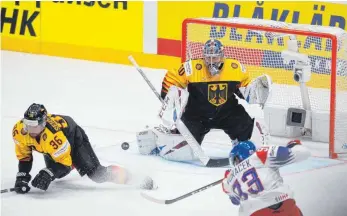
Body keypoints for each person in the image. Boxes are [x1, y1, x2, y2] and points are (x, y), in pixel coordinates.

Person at [136, 39, 272, 163]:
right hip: (196, 115)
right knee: (181, 151)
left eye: (215, 57)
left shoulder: (235, 68)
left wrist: (255, 92)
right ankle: (158, 138)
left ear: (222, 56)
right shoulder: (192, 68)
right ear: (203, 56)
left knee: (248, 138)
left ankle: (239, 144)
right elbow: (172, 77)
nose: (212, 61)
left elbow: (245, 88)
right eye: (208, 57)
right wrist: (168, 96)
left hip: (228, 112)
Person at [13, 103, 154, 194]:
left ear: (43, 123)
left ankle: (135, 178)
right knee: (58, 174)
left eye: (34, 124)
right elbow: (24, 156)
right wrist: (22, 177)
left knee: (97, 174)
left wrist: (49, 172)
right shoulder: (19, 131)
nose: (30, 129)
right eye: (27, 123)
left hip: (73, 138)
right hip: (57, 149)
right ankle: (76, 162)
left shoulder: (54, 137)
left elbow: (64, 164)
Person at [222, 140, 310, 216]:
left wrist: (228, 180)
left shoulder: (229, 179)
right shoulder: (260, 155)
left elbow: (235, 202)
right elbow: (304, 153)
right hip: (285, 206)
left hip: (255, 212)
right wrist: (293, 145)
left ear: (237, 158)